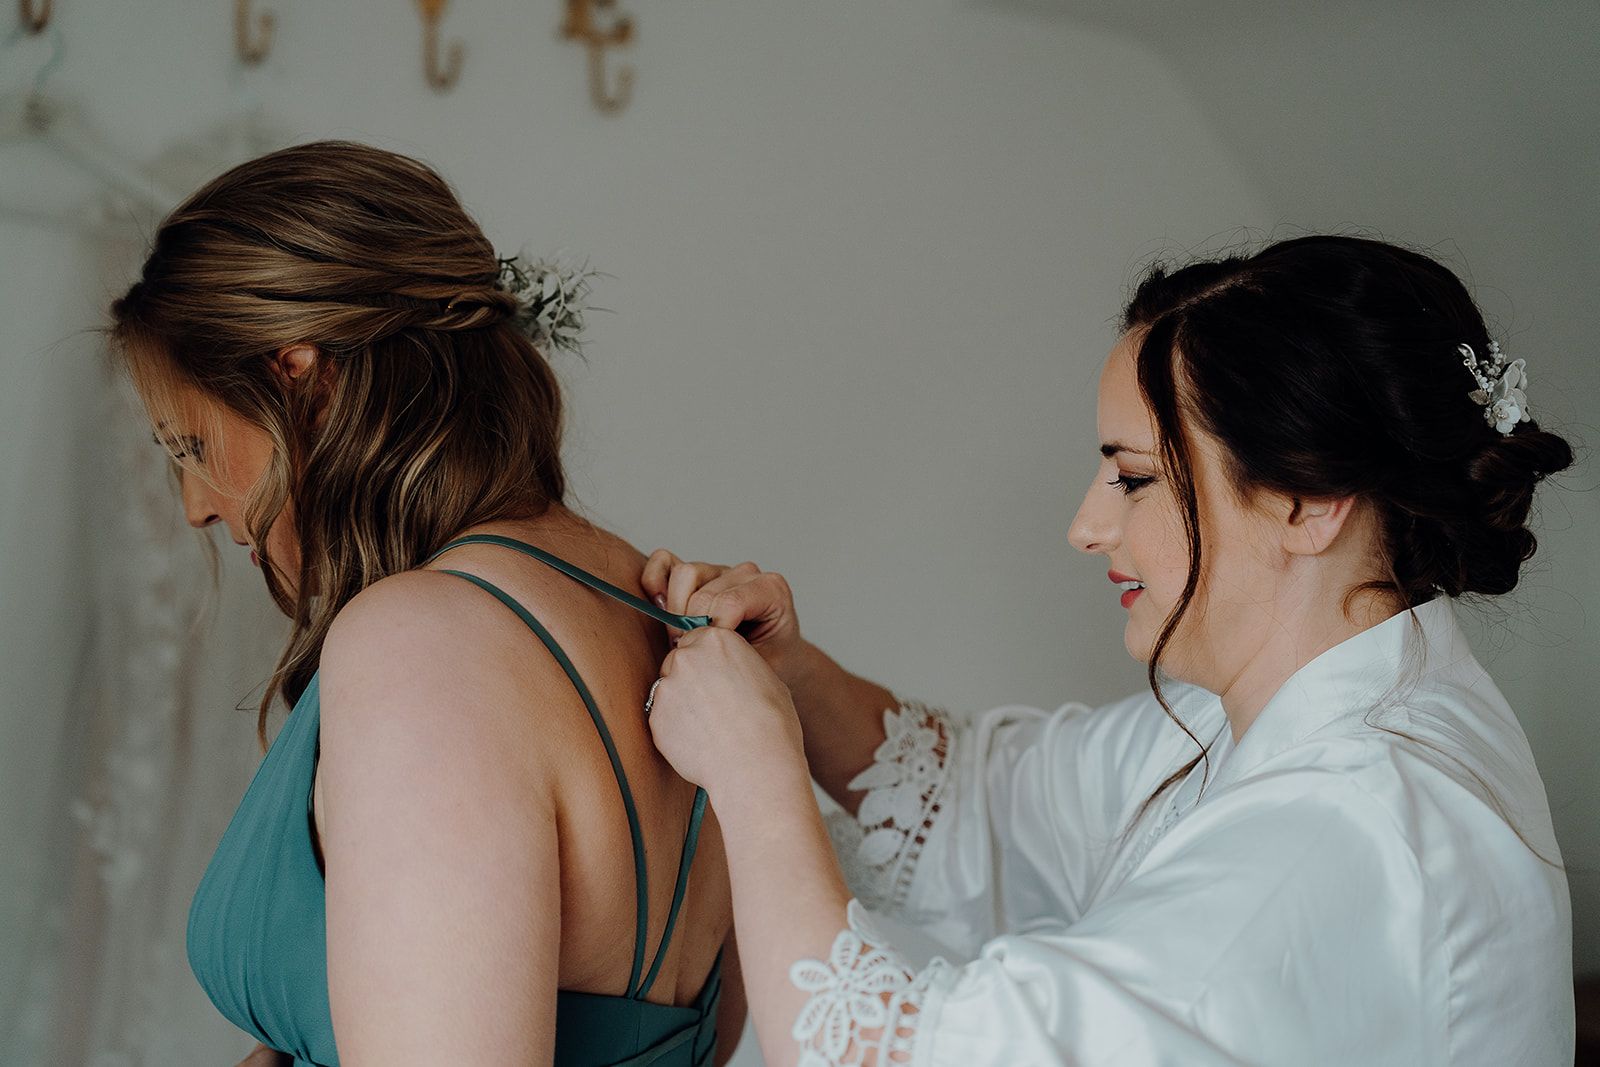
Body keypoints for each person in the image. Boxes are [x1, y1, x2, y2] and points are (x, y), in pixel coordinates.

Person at [640, 235, 1576, 1065]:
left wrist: (755, 780)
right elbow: (993, 798)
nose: (1086, 525)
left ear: (1307, 500)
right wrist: (793, 676)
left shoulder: (1342, 831)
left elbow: (906, 1052)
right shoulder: (1286, 709)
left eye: (1132, 478)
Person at [108, 141, 740, 1066]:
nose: (196, 504)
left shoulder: (425, 645)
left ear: (305, 381)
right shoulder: (664, 610)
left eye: (192, 445)